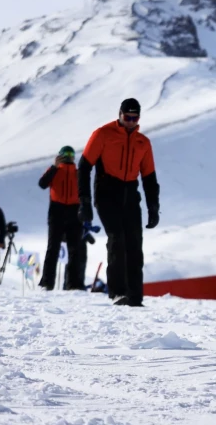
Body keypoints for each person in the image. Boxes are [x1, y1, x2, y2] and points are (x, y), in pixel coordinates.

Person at [78, 99, 160, 306]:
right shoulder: (103, 134)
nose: (131, 121)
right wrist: (85, 202)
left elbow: (149, 178)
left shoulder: (143, 142)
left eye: (135, 118)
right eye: (127, 117)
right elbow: (84, 167)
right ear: (120, 114)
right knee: (117, 239)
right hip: (106, 192)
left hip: (130, 194)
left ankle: (135, 297)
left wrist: (153, 207)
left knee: (134, 244)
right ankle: (118, 292)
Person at [39, 146, 87, 291]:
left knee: (75, 249)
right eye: (64, 154)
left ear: (74, 157)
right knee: (53, 247)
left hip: (74, 212)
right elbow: (42, 184)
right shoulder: (54, 171)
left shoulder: (78, 173)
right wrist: (54, 166)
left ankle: (73, 284)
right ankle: (47, 283)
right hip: (57, 210)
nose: (67, 157)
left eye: (70, 154)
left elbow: (85, 192)